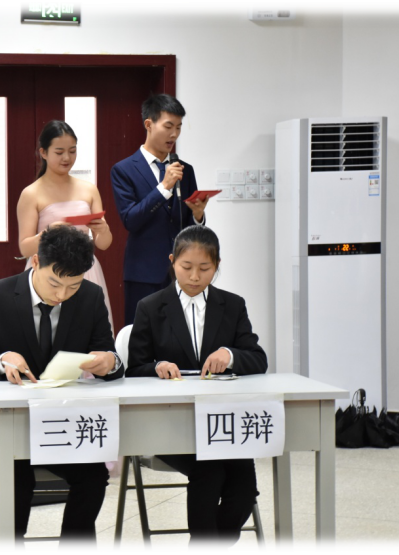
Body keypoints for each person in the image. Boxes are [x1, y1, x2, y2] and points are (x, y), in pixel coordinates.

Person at [0, 225, 122, 550]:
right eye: (54, 283)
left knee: (94, 478)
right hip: (13, 427)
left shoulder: (91, 297)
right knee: (15, 480)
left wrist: (109, 361)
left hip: (65, 425)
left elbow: (108, 356)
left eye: (73, 285)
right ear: (36, 261)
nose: (62, 294)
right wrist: (2, 361)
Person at [126, 225, 267, 551]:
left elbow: (258, 359)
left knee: (244, 488)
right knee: (210, 471)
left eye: (204, 268)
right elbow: (133, 369)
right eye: (186, 267)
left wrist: (230, 354)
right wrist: (156, 367)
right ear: (172, 261)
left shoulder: (232, 305)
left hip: (222, 425)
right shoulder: (150, 306)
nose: (194, 276)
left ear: (217, 266)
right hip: (170, 425)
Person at [111, 94, 209, 326]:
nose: (174, 134)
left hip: (183, 272)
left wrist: (198, 215)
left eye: (179, 127)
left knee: (182, 333)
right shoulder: (124, 170)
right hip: (143, 272)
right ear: (149, 124)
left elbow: (188, 226)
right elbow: (130, 220)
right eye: (168, 126)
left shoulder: (185, 170)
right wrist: (163, 188)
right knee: (142, 333)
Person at [17, 120, 115, 331]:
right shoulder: (31, 193)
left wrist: (104, 230)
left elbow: (103, 244)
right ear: (43, 153)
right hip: (47, 269)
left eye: (72, 151)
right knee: (47, 329)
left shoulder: (89, 189)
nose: (67, 158)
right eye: (59, 152)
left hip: (85, 268)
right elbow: (24, 248)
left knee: (86, 330)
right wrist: (49, 232)